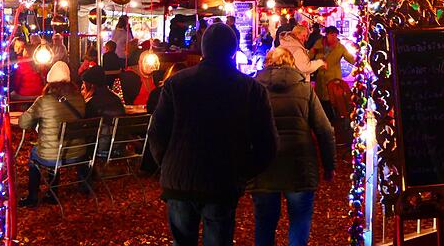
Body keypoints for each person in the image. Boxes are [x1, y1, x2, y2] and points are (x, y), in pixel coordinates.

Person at [149, 23, 278, 246]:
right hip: (222, 179)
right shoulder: (250, 89)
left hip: (180, 178)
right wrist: (244, 171)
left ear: (203, 48)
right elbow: (267, 142)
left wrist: (167, 162)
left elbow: (157, 132)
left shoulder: (176, 83)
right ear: (233, 49)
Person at [250, 47, 335, 246]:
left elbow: (242, 127)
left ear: (267, 63)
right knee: (299, 221)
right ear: (292, 64)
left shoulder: (254, 89)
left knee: (264, 224)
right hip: (299, 165)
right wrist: (329, 165)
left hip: (264, 164)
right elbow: (324, 130)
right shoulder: (305, 89)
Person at [18, 61, 87, 207]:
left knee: (35, 155)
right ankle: (51, 193)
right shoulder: (79, 98)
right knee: (53, 146)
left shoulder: (44, 101)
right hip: (78, 152)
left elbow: (23, 123)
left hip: (53, 155)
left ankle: (33, 196)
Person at [309, 26, 354, 120]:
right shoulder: (319, 43)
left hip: (334, 80)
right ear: (327, 35)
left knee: (333, 102)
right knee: (321, 101)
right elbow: (310, 56)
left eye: (335, 35)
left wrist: (358, 59)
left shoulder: (340, 47)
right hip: (321, 78)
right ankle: (323, 121)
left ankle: (335, 122)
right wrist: (312, 51)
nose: (334, 37)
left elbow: (350, 59)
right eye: (331, 35)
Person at [81, 66, 125, 153]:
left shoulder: (91, 103)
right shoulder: (116, 99)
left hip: (98, 147)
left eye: (84, 84)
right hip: (118, 145)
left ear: (91, 85)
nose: (83, 87)